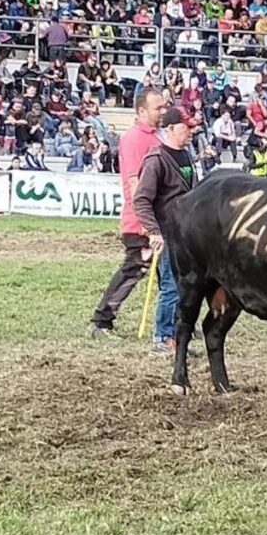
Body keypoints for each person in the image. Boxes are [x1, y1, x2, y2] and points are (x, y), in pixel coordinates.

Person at [89, 89, 166, 338]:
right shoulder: (134, 139)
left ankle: (175, 322)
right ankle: (101, 320)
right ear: (142, 111)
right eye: (158, 108)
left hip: (158, 220)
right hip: (140, 221)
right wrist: (147, 224)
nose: (163, 111)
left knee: (170, 274)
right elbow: (136, 184)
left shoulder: (157, 137)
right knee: (134, 269)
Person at [132, 108, 196, 353]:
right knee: (170, 285)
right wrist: (153, 231)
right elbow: (141, 199)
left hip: (185, 233)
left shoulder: (186, 156)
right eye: (184, 129)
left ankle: (178, 337)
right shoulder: (156, 159)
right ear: (169, 129)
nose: (189, 133)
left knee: (184, 286)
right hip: (166, 233)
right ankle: (162, 336)